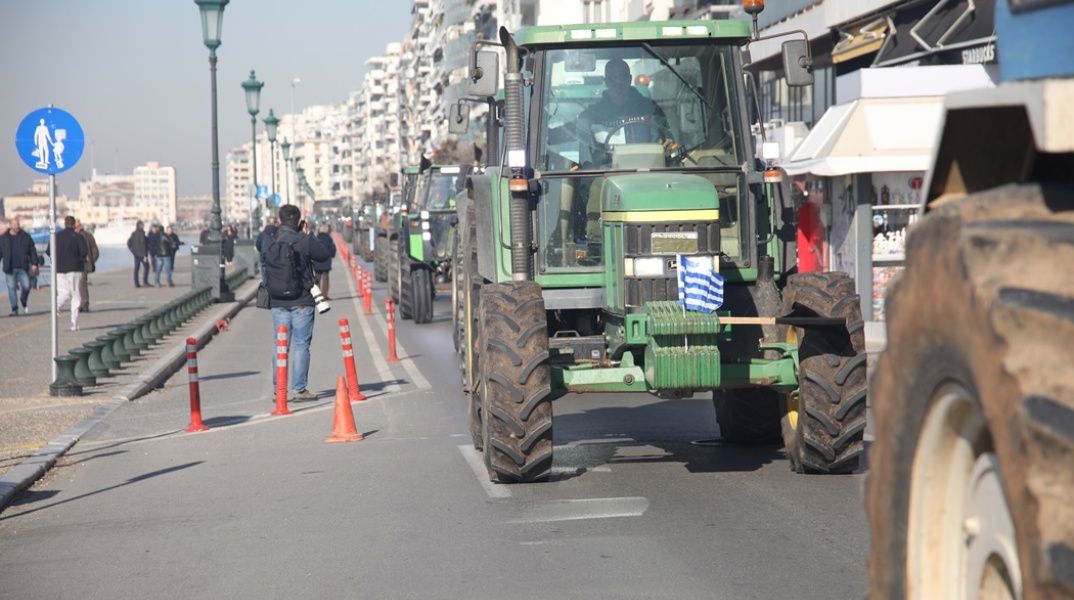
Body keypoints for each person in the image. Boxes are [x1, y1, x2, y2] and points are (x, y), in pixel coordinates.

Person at [264, 205, 332, 401]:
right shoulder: (304, 239)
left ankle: (279, 391)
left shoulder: (272, 239)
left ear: (279, 220)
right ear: (299, 221)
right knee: (301, 345)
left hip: (277, 300)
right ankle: (299, 389)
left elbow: (263, 256)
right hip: (302, 300)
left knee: (280, 346)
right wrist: (310, 234)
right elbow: (324, 254)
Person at [55, 215, 88, 331]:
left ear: (64, 224)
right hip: (74, 268)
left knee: (63, 293)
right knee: (75, 294)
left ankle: (56, 305)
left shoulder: (57, 236)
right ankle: (73, 322)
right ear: (74, 224)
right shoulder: (77, 237)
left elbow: (49, 251)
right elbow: (84, 251)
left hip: (59, 269)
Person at [0, 218, 39, 316]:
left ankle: (23, 299)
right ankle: (14, 308)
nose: (16, 226)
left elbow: (32, 250)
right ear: (10, 225)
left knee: (26, 286)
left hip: (23, 266)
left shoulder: (25, 236)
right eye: (14, 224)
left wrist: (34, 263)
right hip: (9, 267)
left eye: (17, 224)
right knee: (11, 288)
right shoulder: (3, 238)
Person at [74, 219, 99, 312]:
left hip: (83, 263)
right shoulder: (72, 236)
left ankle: (84, 303)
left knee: (82, 283)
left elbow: (95, 250)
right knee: (76, 284)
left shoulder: (87, 236)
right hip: (74, 263)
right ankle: (80, 303)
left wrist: (91, 261)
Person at [312, 223, 336, 300]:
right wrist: (331, 255)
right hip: (326, 261)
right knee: (325, 279)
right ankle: (324, 295)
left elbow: (311, 249)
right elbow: (332, 249)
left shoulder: (315, 238)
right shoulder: (328, 239)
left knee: (317, 278)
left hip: (317, 261)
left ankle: (317, 296)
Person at [127, 220, 149, 287]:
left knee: (136, 268)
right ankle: (145, 282)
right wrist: (145, 255)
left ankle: (136, 283)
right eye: (143, 225)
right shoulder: (141, 233)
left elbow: (128, 243)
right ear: (140, 226)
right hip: (142, 254)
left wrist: (132, 251)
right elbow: (143, 244)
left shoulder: (133, 234)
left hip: (136, 254)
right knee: (147, 267)